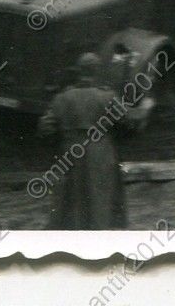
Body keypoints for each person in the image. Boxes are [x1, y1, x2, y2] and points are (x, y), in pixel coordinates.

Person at [38, 53, 133, 230]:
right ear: (97, 71)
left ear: (78, 71)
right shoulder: (108, 96)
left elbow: (45, 128)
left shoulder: (62, 98)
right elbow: (127, 124)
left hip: (69, 154)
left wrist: (60, 143)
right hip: (101, 154)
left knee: (69, 203)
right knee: (100, 201)